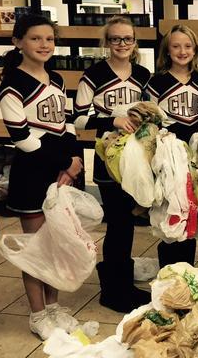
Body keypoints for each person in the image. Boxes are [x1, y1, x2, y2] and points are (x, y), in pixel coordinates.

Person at [0, 15, 84, 339]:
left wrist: (74, 159)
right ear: (18, 42)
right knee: (36, 250)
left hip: (60, 173)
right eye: (35, 38)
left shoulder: (57, 78)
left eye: (49, 38)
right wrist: (66, 162)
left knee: (58, 244)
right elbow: (22, 137)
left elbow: (68, 122)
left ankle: (53, 308)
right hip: (32, 175)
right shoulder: (12, 85)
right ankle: (37, 315)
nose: (44, 44)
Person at [73, 16, 150, 313]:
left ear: (135, 42)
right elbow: (78, 118)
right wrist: (112, 120)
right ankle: (112, 290)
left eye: (127, 38)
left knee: (128, 222)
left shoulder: (142, 74)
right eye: (115, 38)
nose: (122, 44)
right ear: (107, 42)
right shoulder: (93, 74)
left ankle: (124, 284)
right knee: (117, 222)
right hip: (107, 157)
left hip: (136, 157)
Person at [147, 24, 198, 268]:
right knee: (168, 211)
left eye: (188, 46)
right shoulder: (157, 82)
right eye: (175, 46)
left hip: (192, 156)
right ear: (167, 51)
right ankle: (168, 271)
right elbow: (150, 119)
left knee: (190, 210)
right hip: (167, 158)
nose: (182, 51)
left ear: (195, 50)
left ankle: (186, 270)